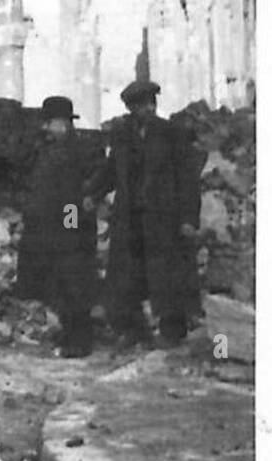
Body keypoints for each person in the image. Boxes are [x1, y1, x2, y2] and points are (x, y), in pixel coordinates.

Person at [87, 80, 200, 347]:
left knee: (167, 276)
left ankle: (173, 331)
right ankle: (133, 331)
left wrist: (188, 219)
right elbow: (111, 171)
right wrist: (91, 195)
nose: (148, 109)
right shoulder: (122, 136)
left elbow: (188, 180)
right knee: (127, 277)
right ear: (131, 108)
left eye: (151, 104)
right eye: (141, 105)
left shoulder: (171, 134)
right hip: (130, 219)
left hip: (164, 220)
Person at [18, 97, 100, 357]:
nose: (46, 128)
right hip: (49, 230)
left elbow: (85, 190)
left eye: (50, 123)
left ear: (64, 123)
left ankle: (80, 341)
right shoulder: (43, 149)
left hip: (71, 227)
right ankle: (67, 334)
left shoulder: (81, 150)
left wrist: (70, 229)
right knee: (57, 286)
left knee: (75, 284)